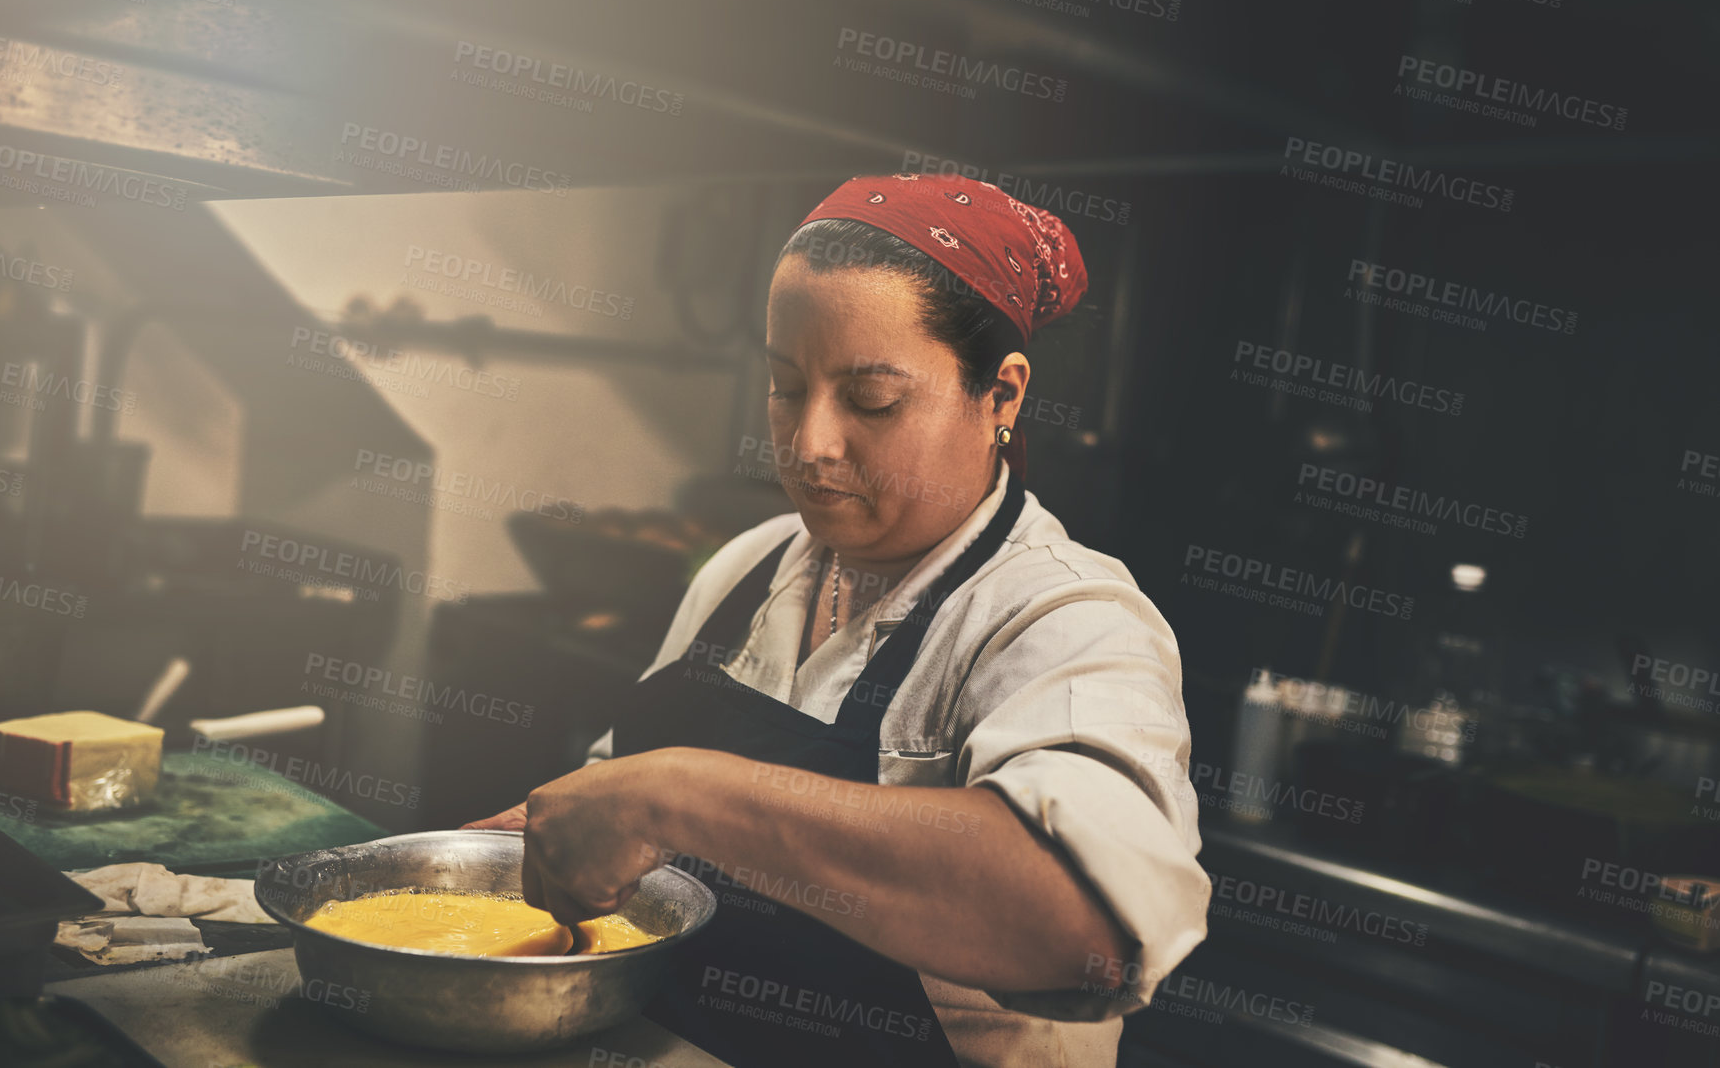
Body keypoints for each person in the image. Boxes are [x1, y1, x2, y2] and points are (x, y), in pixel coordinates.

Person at [465, 172, 1210, 1068]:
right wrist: (527, 842)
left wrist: (674, 792)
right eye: (785, 386)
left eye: (871, 399)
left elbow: (1076, 927)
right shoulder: (753, 564)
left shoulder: (1068, 619)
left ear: (1001, 398)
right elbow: (624, 812)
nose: (810, 443)